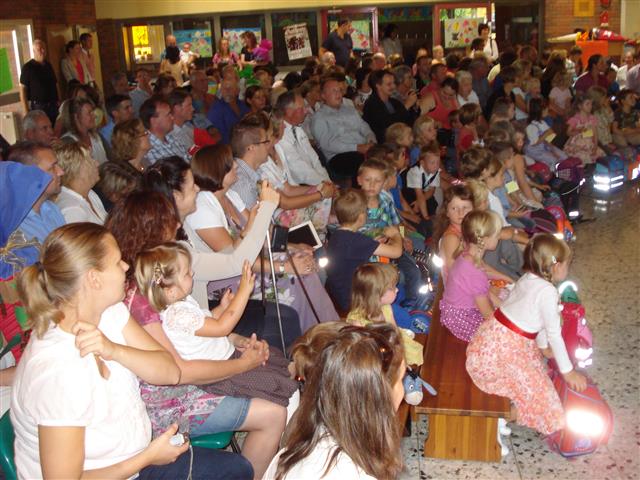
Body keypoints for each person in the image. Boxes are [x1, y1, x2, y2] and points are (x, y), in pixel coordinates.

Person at [11, 222, 254, 479]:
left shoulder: (110, 312)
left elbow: (170, 371)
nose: (126, 267)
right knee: (234, 472)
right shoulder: (57, 372)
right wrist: (147, 457)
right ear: (94, 279)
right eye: (117, 262)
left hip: (135, 457)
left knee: (238, 469)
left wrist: (114, 350)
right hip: (126, 468)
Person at [185, 143, 337, 333]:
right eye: (230, 163)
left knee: (304, 264)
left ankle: (327, 331)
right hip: (228, 279)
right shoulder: (202, 207)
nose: (236, 165)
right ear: (217, 170)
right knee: (293, 279)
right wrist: (285, 267)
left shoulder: (230, 195)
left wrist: (293, 247)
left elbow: (259, 233)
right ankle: (313, 335)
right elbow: (233, 260)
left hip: (250, 264)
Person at [135, 243, 297, 414]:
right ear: (171, 291)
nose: (193, 273)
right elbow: (221, 328)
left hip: (226, 357)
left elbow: (206, 322)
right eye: (187, 273)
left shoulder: (181, 304)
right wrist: (243, 292)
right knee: (273, 382)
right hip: (221, 373)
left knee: (274, 360)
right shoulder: (176, 315)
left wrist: (222, 308)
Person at [466, 233, 588, 436]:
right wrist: (568, 372)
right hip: (506, 350)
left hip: (493, 341)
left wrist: (543, 347)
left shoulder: (529, 277)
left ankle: (507, 409)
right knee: (544, 399)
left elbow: (535, 318)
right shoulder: (548, 292)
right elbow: (554, 334)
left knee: (537, 372)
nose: (568, 268)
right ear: (556, 266)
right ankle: (501, 417)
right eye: (568, 264)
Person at [264, 323, 405, 480]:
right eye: (401, 380)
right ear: (379, 397)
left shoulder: (293, 451)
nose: (403, 391)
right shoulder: (356, 474)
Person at [325, 189, 403, 312]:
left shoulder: (337, 236)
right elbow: (396, 252)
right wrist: (396, 234)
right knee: (397, 288)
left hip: (340, 293)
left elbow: (354, 252)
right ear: (361, 217)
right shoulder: (356, 240)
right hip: (354, 300)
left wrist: (372, 243)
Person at [439, 210, 503, 342]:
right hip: (462, 318)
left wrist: (504, 306)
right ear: (485, 240)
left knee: (506, 298)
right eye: (497, 235)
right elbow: (487, 313)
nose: (499, 238)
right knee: (504, 336)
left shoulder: (467, 255)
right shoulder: (474, 271)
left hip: (456, 311)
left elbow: (485, 293)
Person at [346, 263, 422, 366]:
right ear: (376, 295)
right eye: (392, 287)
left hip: (390, 346)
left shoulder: (386, 307)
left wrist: (401, 356)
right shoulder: (357, 323)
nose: (397, 290)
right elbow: (366, 354)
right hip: (374, 359)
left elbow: (394, 331)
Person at [310, 78, 375, 182]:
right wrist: (356, 147)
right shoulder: (319, 118)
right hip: (339, 156)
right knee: (368, 164)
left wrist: (370, 139)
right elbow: (327, 144)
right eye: (334, 91)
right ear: (323, 96)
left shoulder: (350, 110)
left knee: (386, 153)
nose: (338, 94)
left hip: (362, 148)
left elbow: (364, 127)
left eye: (340, 90)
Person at [54, 141, 107, 224]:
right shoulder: (72, 210)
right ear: (77, 169)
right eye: (91, 159)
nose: (97, 163)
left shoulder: (90, 193)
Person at [363, 69, 413, 143]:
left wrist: (415, 107)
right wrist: (406, 106)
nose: (393, 86)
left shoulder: (394, 102)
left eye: (394, 83)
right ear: (378, 86)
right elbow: (386, 124)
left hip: (401, 138)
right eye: (389, 84)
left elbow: (408, 120)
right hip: (383, 142)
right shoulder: (371, 104)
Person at [19, 39, 59, 124]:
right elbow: (22, 89)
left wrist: (58, 100)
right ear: (34, 51)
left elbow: (55, 84)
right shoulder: (27, 67)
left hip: (53, 104)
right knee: (41, 127)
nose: (43, 51)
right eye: (39, 49)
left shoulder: (48, 65)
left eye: (44, 48)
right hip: (39, 106)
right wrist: (26, 111)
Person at [139, 95, 188, 164]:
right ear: (154, 121)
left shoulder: (171, 137)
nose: (172, 118)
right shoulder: (149, 150)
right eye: (168, 114)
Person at [59, 97, 109, 164]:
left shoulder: (97, 137)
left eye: (93, 112)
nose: (94, 116)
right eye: (89, 113)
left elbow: (112, 159)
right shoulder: (67, 143)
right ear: (76, 117)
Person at [207, 78, 250, 145]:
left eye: (230, 88)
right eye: (224, 89)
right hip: (229, 146)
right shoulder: (216, 109)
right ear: (221, 91)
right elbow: (221, 137)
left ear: (237, 91)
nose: (227, 91)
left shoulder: (242, 105)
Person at [563, 95, 604, 165]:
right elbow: (568, 132)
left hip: (589, 144)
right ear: (580, 106)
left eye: (591, 104)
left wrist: (595, 146)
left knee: (599, 157)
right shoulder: (575, 119)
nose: (590, 106)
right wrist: (578, 131)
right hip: (577, 146)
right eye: (587, 104)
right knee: (582, 158)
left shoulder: (592, 118)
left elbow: (595, 134)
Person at [167, 88, 196, 155]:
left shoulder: (187, 128)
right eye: (189, 105)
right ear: (177, 108)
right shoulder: (171, 136)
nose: (193, 109)